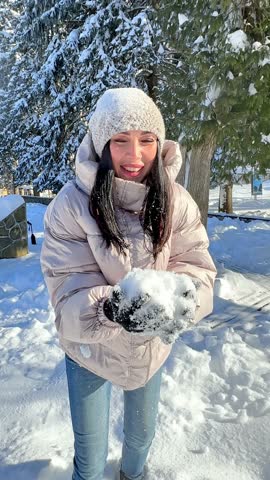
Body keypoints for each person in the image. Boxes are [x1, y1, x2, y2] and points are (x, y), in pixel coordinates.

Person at [40, 87, 216, 480]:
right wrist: (109, 308)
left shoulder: (177, 201)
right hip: (89, 351)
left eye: (147, 141)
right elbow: (66, 295)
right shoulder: (71, 206)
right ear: (102, 144)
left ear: (160, 142)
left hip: (147, 351)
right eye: (120, 141)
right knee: (90, 457)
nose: (135, 156)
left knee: (140, 441)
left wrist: (187, 299)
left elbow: (197, 267)